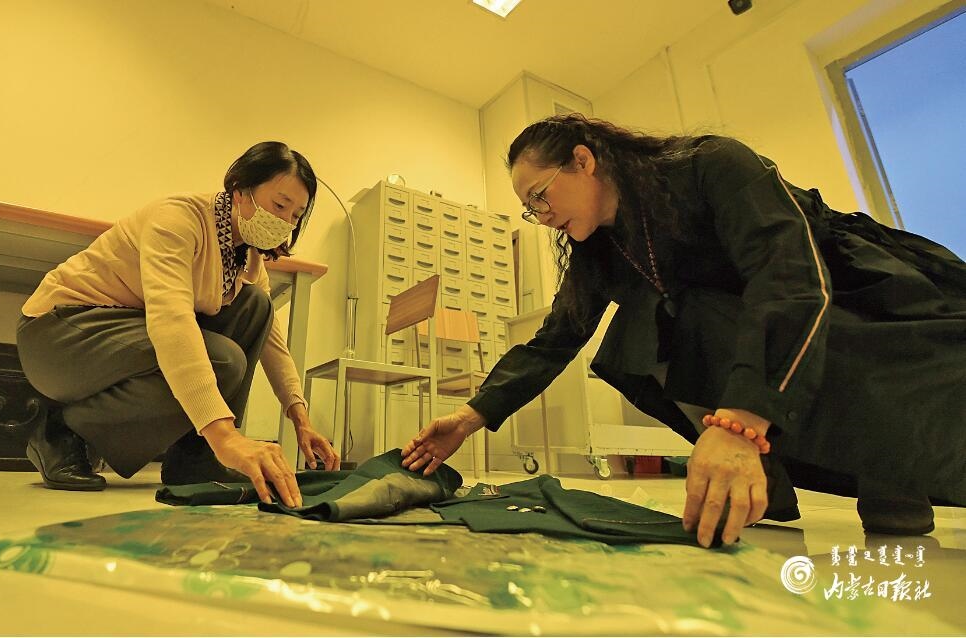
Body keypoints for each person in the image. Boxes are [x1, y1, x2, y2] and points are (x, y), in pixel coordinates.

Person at [403, 114, 965, 548]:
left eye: (540, 196)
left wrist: (741, 424)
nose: (541, 215)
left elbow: (788, 279)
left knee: (743, 324)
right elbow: (555, 339)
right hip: (744, 323)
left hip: (845, 293)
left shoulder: (708, 164)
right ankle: (769, 478)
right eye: (531, 209)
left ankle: (889, 474)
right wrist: (470, 417)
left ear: (583, 160)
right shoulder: (600, 249)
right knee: (647, 329)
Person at [17, 141, 340, 505]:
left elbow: (271, 341)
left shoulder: (247, 259)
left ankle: (195, 459)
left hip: (118, 338)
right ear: (240, 189)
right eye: (280, 205)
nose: (284, 222)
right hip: (56, 334)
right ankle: (60, 433)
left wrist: (301, 419)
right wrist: (226, 436)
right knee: (222, 360)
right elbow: (171, 321)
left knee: (255, 307)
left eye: (296, 216)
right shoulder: (178, 220)